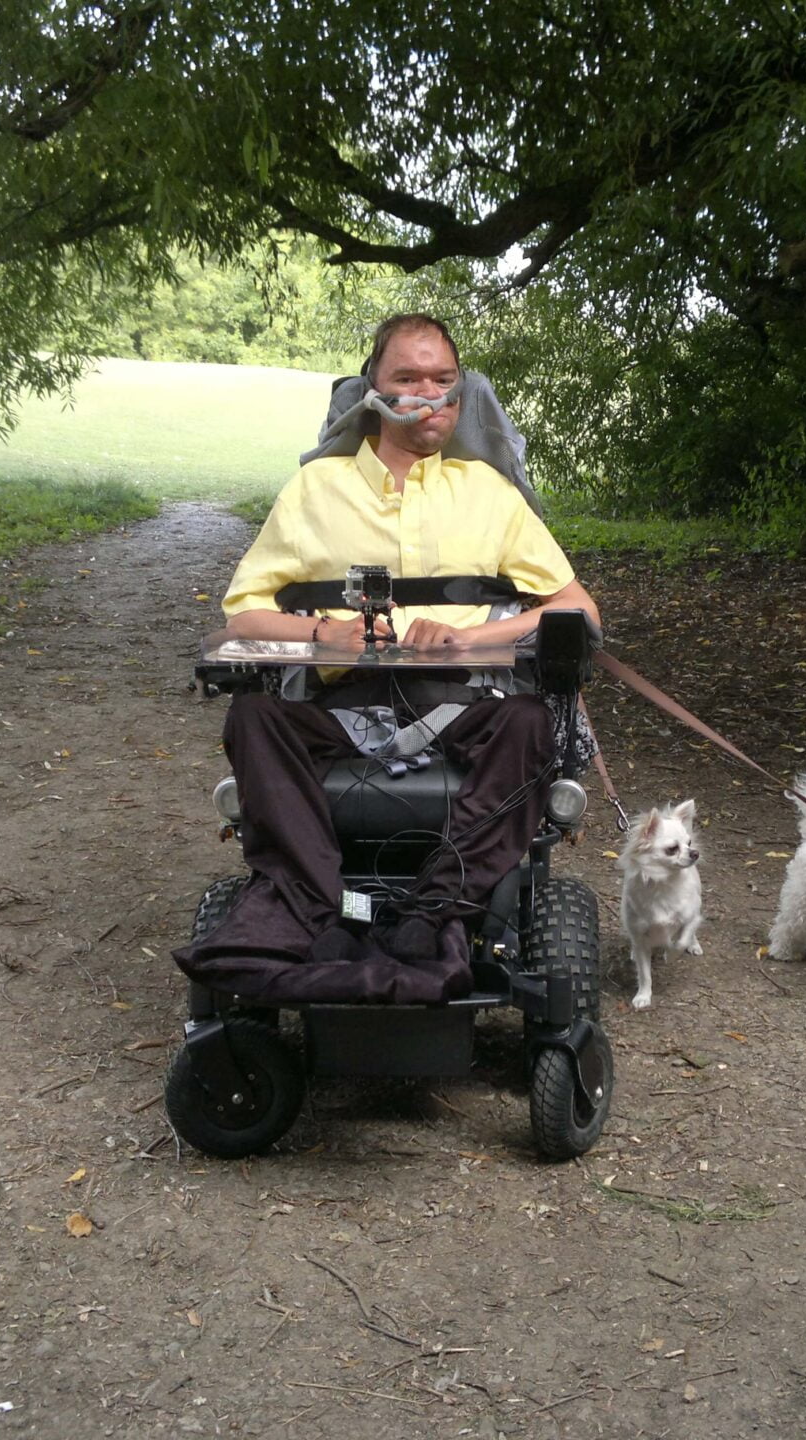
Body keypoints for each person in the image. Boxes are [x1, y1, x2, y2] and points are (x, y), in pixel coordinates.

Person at [172, 313, 601, 1004]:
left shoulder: (490, 494)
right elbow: (243, 615)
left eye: (443, 380)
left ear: (462, 396)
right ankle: (309, 909)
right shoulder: (316, 492)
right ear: (371, 390)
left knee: (528, 725)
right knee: (254, 717)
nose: (428, 394)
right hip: (341, 707)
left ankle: (435, 918)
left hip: (462, 707)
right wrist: (323, 637)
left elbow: (578, 610)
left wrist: (469, 639)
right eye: (408, 378)